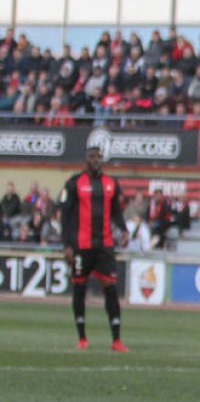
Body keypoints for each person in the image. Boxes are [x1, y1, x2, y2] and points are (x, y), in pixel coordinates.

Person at [60, 146, 128, 352]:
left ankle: (116, 340)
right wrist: (67, 245)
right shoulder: (74, 183)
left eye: (99, 157)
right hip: (82, 245)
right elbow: (65, 215)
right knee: (79, 289)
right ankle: (82, 338)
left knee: (111, 289)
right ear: (86, 160)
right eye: (92, 157)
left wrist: (123, 230)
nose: (96, 161)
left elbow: (116, 212)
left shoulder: (111, 184)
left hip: (105, 245)